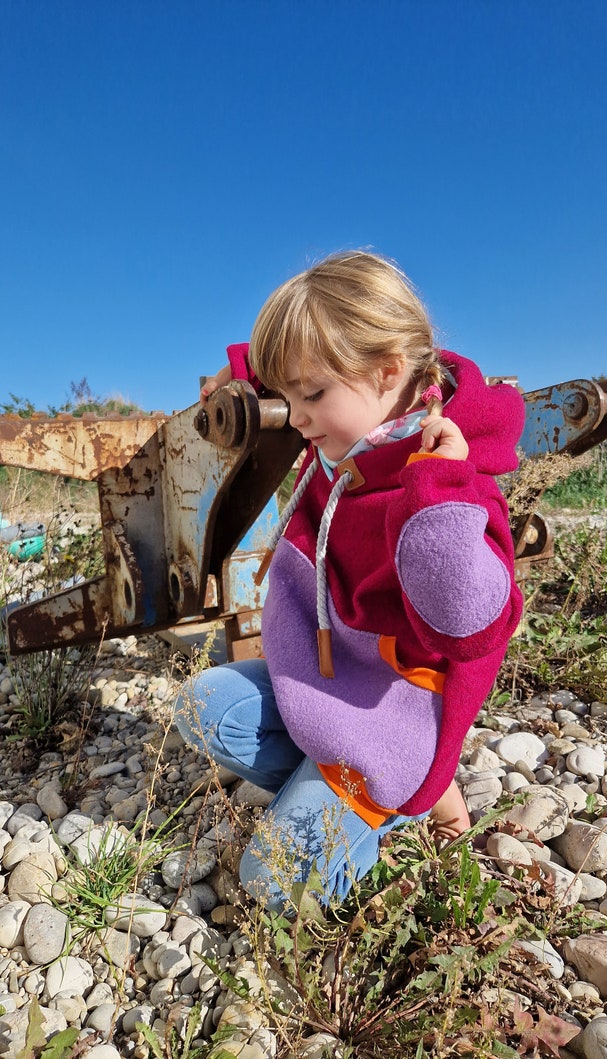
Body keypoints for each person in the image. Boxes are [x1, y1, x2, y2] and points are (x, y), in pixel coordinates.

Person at [176, 250, 524, 910]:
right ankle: (339, 787)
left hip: (391, 717)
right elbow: (316, 360)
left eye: (311, 396)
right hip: (328, 686)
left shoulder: (451, 474)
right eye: (287, 396)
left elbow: (469, 628)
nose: (297, 417)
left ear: (390, 370)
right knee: (201, 704)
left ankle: (394, 795)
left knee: (271, 885)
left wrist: (438, 493)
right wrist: (244, 368)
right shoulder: (354, 435)